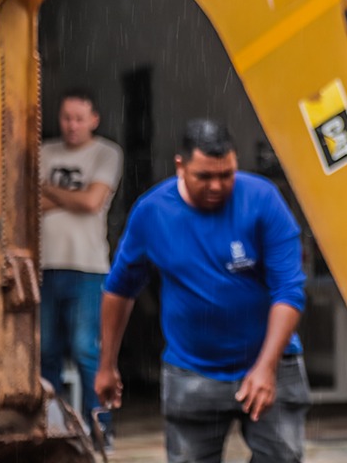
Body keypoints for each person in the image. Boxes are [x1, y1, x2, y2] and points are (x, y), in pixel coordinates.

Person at [95, 119, 310, 463]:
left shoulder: (263, 199)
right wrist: (107, 365)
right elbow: (119, 290)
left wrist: (266, 368)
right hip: (192, 371)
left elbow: (289, 291)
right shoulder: (152, 213)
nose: (217, 185)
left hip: (271, 365)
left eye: (226, 174)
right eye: (204, 176)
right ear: (181, 166)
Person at [40, 89, 123, 444]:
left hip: (88, 266)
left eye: (78, 118)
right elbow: (26, 203)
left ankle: (99, 425)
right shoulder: (44, 151)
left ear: (94, 119)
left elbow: (92, 201)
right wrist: (72, 199)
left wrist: (47, 190)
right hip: (44, 266)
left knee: (86, 348)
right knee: (45, 350)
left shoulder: (107, 152)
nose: (71, 126)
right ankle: (52, 425)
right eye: (66, 118)